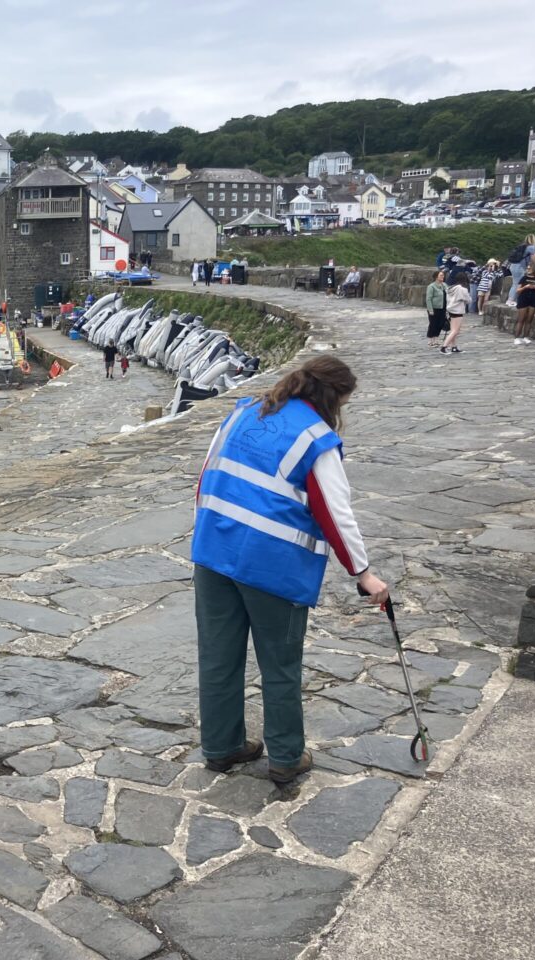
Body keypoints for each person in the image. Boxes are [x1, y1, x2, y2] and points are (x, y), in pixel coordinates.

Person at [192, 356, 388, 786]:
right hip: (272, 566)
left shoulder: (242, 410)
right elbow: (336, 513)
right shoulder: (317, 439)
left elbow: (207, 476)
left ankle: (222, 748)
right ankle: (285, 755)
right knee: (280, 664)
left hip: (213, 550)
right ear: (332, 398)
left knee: (218, 657)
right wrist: (363, 574)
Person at [441, 275, 471, 354]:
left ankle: (454, 347)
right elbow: (468, 300)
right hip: (458, 311)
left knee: (452, 330)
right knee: (455, 331)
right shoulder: (462, 289)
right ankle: (444, 347)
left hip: (451, 310)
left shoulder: (450, 288)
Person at [505, 234, 535, 306]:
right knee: (517, 284)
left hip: (513, 265)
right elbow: (533, 259)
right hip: (520, 267)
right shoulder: (532, 247)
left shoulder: (522, 246)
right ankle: (511, 300)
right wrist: (534, 267)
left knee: (514, 283)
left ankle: (511, 300)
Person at [514, 260, 535, 345]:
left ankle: (526, 337)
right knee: (521, 319)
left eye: (530, 267)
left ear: (534, 268)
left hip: (534, 300)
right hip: (523, 299)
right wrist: (526, 287)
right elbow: (518, 291)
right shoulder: (524, 278)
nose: (528, 268)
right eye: (528, 267)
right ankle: (517, 337)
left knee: (529, 320)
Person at [425, 270, 448, 347]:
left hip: (443, 307)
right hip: (434, 308)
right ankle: (431, 339)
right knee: (433, 324)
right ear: (436, 277)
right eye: (441, 275)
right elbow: (428, 298)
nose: (442, 277)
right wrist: (430, 309)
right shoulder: (431, 286)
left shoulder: (444, 285)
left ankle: (436, 338)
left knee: (440, 323)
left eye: (443, 275)